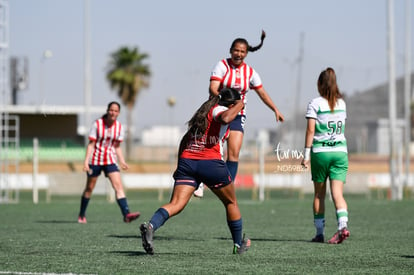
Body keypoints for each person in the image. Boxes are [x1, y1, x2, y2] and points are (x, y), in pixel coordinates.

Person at [140, 88, 250, 255]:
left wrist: (179, 165)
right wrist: (241, 104)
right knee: (231, 202)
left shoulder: (203, 113)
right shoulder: (221, 110)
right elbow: (227, 117)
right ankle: (237, 245)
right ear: (232, 104)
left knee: (176, 204)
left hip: (188, 163)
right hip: (210, 164)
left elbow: (185, 139)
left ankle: (151, 226)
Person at [193, 30, 284, 198]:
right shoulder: (221, 65)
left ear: (246, 54)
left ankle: (227, 186)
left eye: (242, 52)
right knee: (210, 148)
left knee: (234, 152)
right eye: (236, 50)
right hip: (217, 112)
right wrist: (223, 99)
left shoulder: (250, 72)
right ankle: (199, 183)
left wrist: (275, 109)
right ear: (230, 50)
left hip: (237, 114)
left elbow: (262, 93)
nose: (239, 54)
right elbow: (212, 88)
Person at [300, 67, 350, 244]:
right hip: (340, 152)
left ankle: (319, 233)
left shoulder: (315, 103)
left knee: (319, 195)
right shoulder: (342, 104)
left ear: (319, 84)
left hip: (321, 153)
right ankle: (342, 227)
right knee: (337, 194)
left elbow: (310, 130)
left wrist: (305, 155)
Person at [77, 101, 140, 224]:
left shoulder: (119, 127)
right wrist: (85, 162)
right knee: (89, 188)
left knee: (118, 186)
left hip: (110, 160)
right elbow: (91, 144)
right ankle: (82, 214)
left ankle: (126, 214)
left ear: (119, 113)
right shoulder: (97, 124)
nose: (113, 113)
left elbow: (116, 146)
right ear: (107, 110)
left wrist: (122, 161)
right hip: (95, 160)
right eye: (111, 110)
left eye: (116, 111)